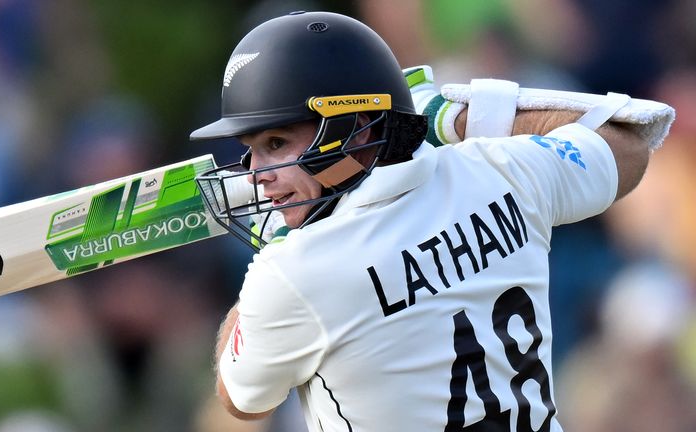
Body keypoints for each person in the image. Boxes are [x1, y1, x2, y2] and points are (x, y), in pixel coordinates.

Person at [189, 11, 668, 431]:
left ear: (355, 126)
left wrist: (275, 245)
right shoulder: (502, 171)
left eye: (275, 144)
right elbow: (626, 144)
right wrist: (456, 119)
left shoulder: (292, 272)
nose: (256, 176)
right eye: (250, 150)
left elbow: (241, 400)